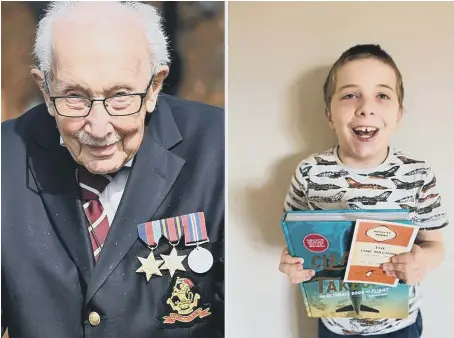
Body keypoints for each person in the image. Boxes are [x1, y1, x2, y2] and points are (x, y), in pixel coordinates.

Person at [1, 2, 224, 338]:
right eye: (74, 96)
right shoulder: (6, 156)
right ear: (45, 91)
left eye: (120, 96)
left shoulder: (220, 145)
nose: (99, 126)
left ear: (154, 87)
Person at [278, 44, 448, 337]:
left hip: (399, 325)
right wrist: (291, 263)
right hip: (332, 322)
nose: (366, 107)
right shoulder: (308, 172)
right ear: (329, 115)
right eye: (349, 95)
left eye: (382, 95)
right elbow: (296, 240)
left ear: (399, 114)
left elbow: (436, 245)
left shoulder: (419, 174)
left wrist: (421, 261)